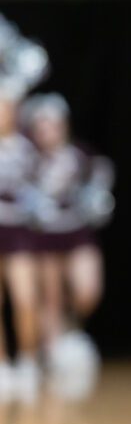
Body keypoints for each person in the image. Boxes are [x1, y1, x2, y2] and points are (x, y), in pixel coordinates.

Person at [24, 93, 112, 400]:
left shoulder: (80, 155)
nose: (46, 130)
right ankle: (55, 355)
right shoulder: (30, 160)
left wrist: (97, 197)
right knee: (51, 297)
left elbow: (102, 176)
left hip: (77, 231)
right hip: (44, 234)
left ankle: (72, 333)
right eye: (41, 125)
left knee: (87, 291)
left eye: (52, 123)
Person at [0, 91, 41, 404]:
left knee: (25, 297)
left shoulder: (27, 149)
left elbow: (40, 187)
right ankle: (2, 366)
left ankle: (27, 360)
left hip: (18, 232)